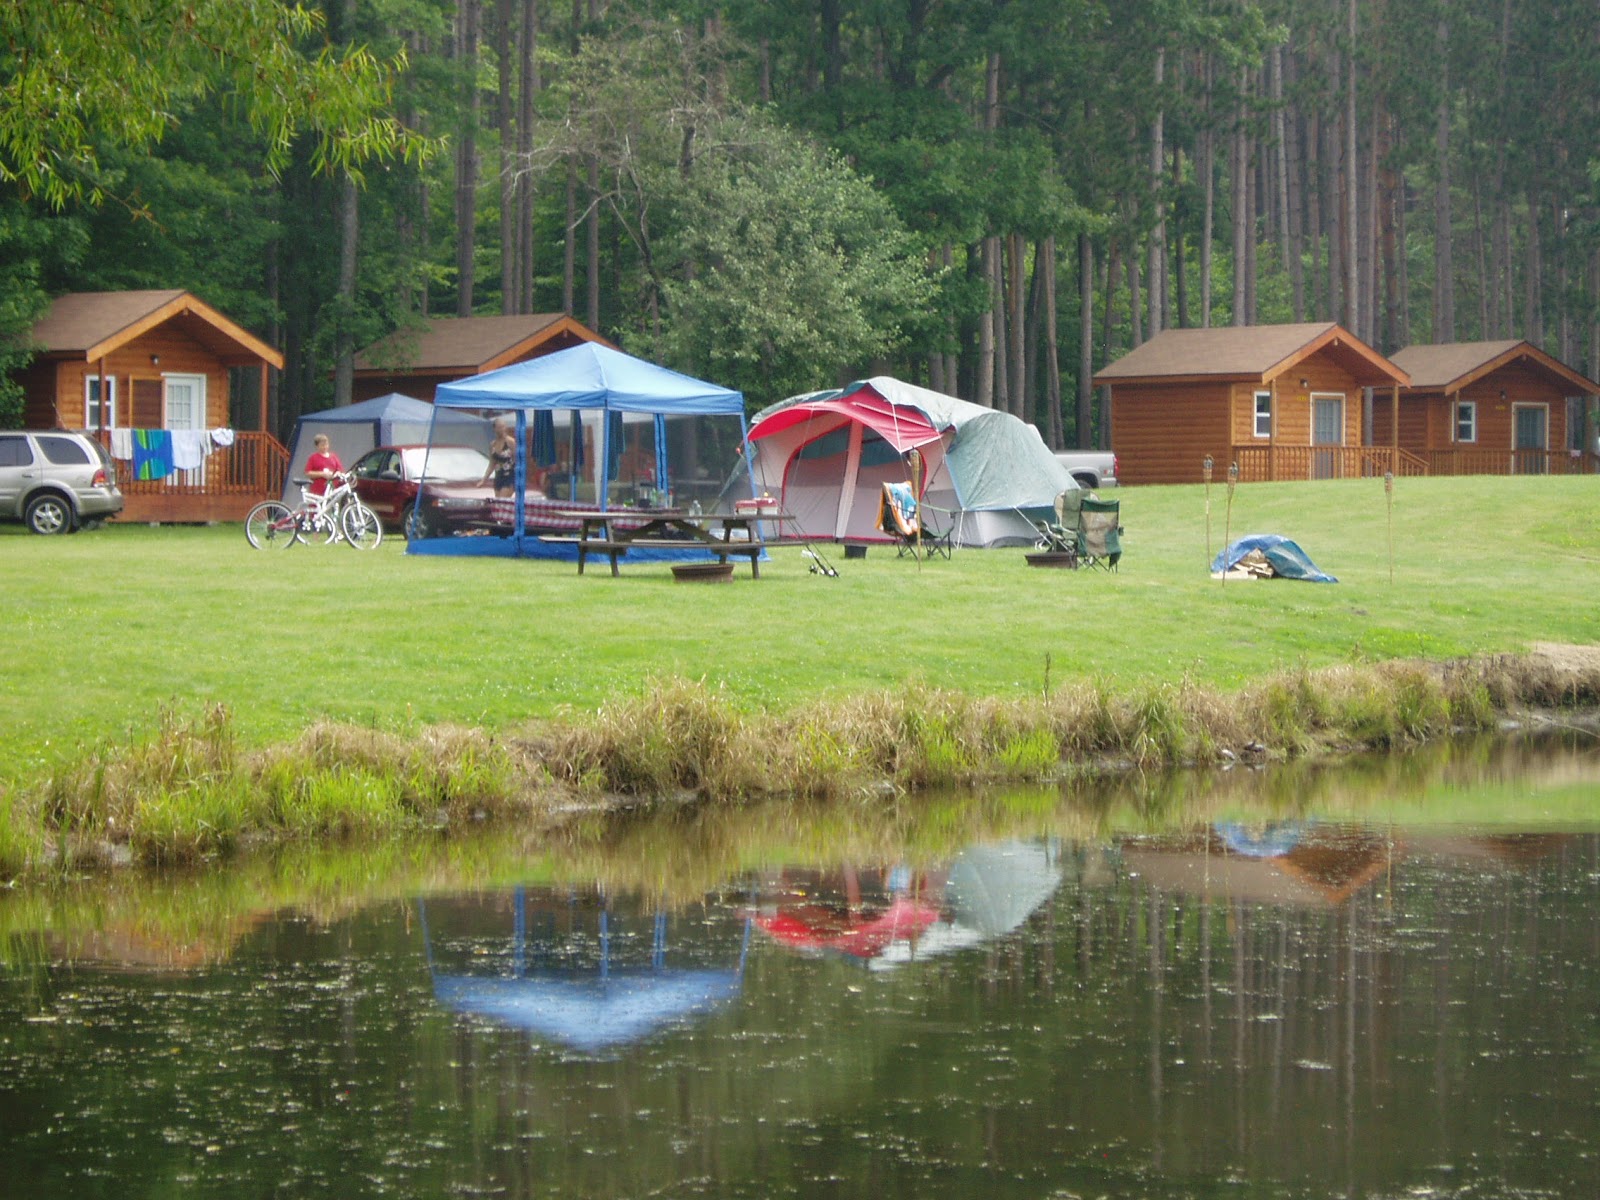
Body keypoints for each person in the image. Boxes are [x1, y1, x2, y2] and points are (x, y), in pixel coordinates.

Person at [482, 418, 516, 497]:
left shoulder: (510, 442)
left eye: (503, 427)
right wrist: (484, 480)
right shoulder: (493, 445)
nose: (502, 429)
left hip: (509, 477)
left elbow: (517, 460)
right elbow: (491, 464)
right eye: (500, 427)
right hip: (498, 477)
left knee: (502, 500)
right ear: (495, 429)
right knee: (498, 503)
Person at [304, 434, 343, 498]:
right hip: (318, 491)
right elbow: (307, 472)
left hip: (332, 489)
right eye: (322, 445)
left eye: (326, 445)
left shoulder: (333, 456)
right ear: (317, 446)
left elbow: (340, 470)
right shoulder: (313, 458)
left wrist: (336, 474)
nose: (325, 447)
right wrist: (322, 474)